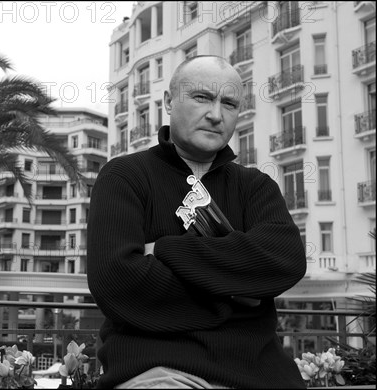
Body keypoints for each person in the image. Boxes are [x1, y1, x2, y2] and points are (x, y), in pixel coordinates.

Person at [86, 55, 307, 388]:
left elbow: (285, 260)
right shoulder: (123, 177)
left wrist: (164, 249)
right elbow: (118, 283)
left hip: (263, 375)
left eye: (229, 104)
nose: (216, 114)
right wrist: (238, 295)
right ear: (169, 102)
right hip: (160, 371)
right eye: (202, 97)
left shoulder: (256, 187)